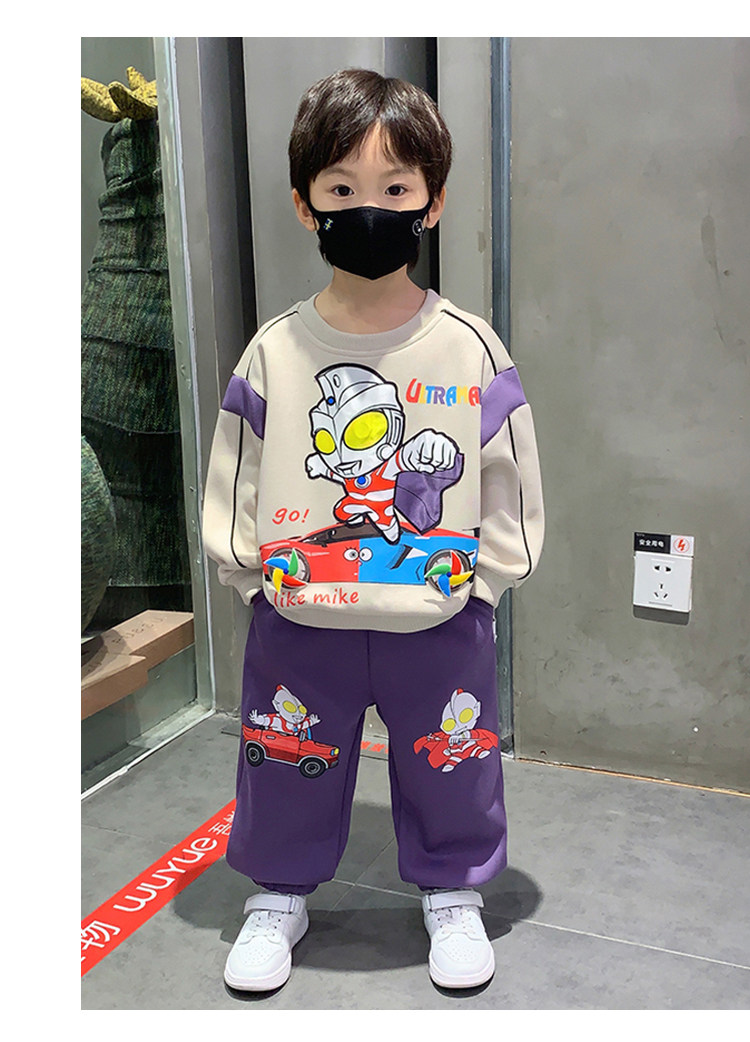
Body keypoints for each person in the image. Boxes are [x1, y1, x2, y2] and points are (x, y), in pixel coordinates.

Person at [202, 67, 544, 994]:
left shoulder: (469, 345)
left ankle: (454, 892)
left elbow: (509, 474)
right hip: (299, 613)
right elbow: (234, 471)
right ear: (304, 202)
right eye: (342, 187)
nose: (370, 209)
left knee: (452, 757)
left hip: (439, 612)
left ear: (433, 201)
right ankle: (277, 893)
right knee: (286, 752)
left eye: (396, 189)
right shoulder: (274, 350)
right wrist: (250, 577)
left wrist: (487, 582)